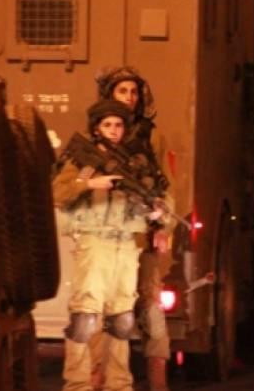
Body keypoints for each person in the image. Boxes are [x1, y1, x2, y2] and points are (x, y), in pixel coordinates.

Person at [54, 100, 169, 391]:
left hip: (126, 243)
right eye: (107, 125)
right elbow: (58, 192)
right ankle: (77, 383)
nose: (114, 130)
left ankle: (119, 383)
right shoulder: (84, 160)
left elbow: (158, 195)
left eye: (118, 125)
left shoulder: (137, 161)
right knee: (85, 315)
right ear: (96, 128)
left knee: (122, 317)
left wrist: (158, 212)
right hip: (94, 241)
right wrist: (89, 184)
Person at [92, 66, 174, 391]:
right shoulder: (98, 137)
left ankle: (157, 378)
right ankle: (100, 378)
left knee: (150, 304)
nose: (129, 98)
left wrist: (163, 225)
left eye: (133, 92)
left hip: (142, 234)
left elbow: (167, 187)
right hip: (105, 239)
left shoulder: (150, 137)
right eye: (122, 91)